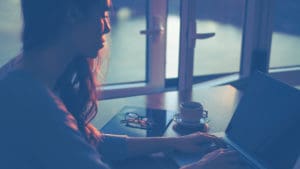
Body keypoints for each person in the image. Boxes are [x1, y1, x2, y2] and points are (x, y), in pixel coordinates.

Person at [0, 0, 246, 168]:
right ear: (72, 14)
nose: (107, 27)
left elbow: (85, 141)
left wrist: (175, 142)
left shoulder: (18, 73)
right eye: (103, 14)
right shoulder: (36, 104)